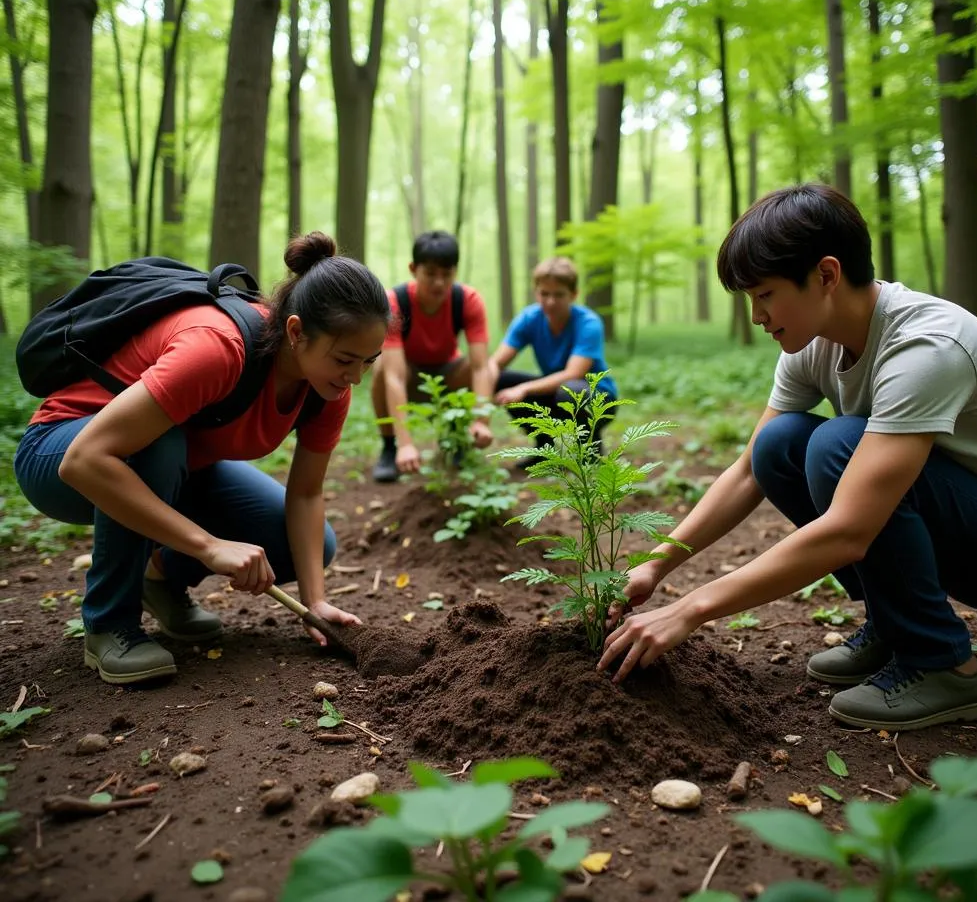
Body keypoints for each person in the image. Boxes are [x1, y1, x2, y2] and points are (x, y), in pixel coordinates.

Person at [598, 184, 977, 731]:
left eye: (766, 294)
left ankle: (943, 665)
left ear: (826, 275)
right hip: (961, 520)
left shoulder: (928, 346)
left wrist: (689, 610)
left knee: (836, 445)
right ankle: (894, 624)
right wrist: (657, 565)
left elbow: (850, 530)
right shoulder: (814, 342)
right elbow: (750, 468)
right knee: (780, 444)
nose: (756, 316)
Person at [14, 233, 391, 685]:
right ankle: (109, 623)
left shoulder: (328, 388)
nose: (356, 377)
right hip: (60, 451)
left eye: (369, 362)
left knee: (306, 544)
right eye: (346, 359)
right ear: (296, 332)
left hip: (170, 468)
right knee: (158, 444)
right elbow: (84, 460)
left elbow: (306, 493)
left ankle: (160, 580)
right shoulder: (217, 349)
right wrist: (208, 547)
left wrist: (316, 604)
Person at [371, 231, 493, 482]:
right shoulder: (394, 302)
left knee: (488, 366)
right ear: (413, 269)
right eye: (430, 274)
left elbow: (481, 368)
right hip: (410, 375)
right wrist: (405, 443)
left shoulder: (468, 300)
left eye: (446, 274)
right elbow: (393, 376)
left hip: (449, 374)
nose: (439, 283)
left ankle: (455, 438)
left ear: (455, 272)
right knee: (381, 367)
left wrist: (482, 420)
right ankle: (389, 446)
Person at [490, 257, 618, 460]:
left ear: (573, 294)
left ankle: (590, 450)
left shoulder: (588, 323)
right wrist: (480, 400)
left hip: (597, 399)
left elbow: (573, 373)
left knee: (570, 391)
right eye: (544, 294)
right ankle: (544, 449)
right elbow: (495, 364)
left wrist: (523, 389)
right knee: (499, 379)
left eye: (559, 295)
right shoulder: (529, 319)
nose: (550, 301)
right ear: (536, 293)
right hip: (556, 393)